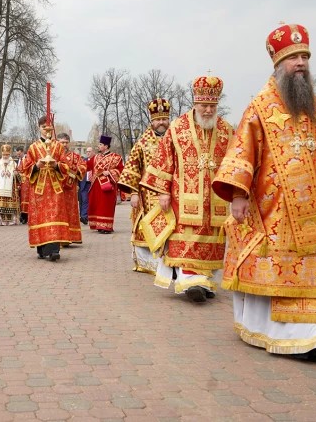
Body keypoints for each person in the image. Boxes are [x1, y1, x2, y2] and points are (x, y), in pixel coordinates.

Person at [212, 24, 316, 370]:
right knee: (277, 272)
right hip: (274, 212)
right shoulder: (260, 108)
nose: (301, 63)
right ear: (278, 64)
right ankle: (275, 333)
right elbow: (241, 154)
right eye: (293, 58)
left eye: (305, 56)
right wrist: (238, 196)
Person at [141, 75, 233, 303]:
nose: (209, 110)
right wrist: (162, 191)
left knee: (211, 242)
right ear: (195, 102)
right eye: (204, 105)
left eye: (213, 106)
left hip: (215, 201)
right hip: (183, 199)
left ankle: (205, 282)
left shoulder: (226, 130)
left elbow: (234, 162)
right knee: (186, 241)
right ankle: (190, 281)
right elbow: (164, 160)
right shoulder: (177, 128)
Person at [118, 97, 171, 274]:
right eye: (158, 120)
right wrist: (133, 193)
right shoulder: (142, 142)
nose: (161, 123)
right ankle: (148, 262)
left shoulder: (176, 140)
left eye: (164, 119)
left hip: (171, 194)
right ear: (152, 121)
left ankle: (169, 262)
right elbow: (132, 167)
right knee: (146, 225)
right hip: (146, 195)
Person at [20, 116, 71, 261]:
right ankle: (42, 248)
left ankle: (53, 249)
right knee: (40, 217)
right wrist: (36, 166)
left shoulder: (58, 147)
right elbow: (25, 168)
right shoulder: (33, 147)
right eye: (43, 127)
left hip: (55, 188)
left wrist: (56, 166)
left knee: (54, 215)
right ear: (39, 128)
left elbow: (66, 166)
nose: (46, 130)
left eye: (49, 128)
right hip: (39, 189)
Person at [86, 136, 124, 233]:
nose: (98, 146)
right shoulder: (95, 157)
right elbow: (86, 166)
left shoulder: (116, 157)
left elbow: (121, 170)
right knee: (96, 205)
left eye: (100, 144)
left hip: (108, 186)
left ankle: (106, 227)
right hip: (95, 186)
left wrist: (110, 172)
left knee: (106, 206)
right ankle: (98, 225)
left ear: (106, 146)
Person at [58, 133, 86, 243]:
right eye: (62, 142)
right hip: (57, 189)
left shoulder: (75, 156)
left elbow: (83, 166)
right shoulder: (54, 156)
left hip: (70, 189)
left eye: (66, 142)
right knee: (59, 212)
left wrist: (75, 171)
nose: (64, 145)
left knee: (70, 212)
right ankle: (59, 236)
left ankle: (71, 236)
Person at [0, 144, 21, 226]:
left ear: (9, 154)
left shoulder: (14, 164)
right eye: (4, 155)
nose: (5, 156)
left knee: (11, 204)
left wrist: (17, 174)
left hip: (11, 188)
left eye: (7, 155)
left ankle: (12, 220)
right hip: (0, 187)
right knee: (0, 203)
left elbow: (20, 177)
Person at [78, 147, 94, 225]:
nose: (88, 153)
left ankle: (87, 216)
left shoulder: (96, 160)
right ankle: (83, 216)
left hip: (92, 184)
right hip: (84, 184)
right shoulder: (83, 161)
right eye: (87, 151)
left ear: (93, 152)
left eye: (89, 151)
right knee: (84, 200)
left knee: (90, 201)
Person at [15, 146, 30, 224]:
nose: (18, 155)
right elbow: (17, 171)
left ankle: (25, 216)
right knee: (20, 199)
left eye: (19, 153)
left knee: (26, 199)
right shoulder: (18, 160)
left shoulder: (27, 159)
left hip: (27, 182)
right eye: (17, 154)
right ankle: (22, 216)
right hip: (20, 183)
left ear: (22, 152)